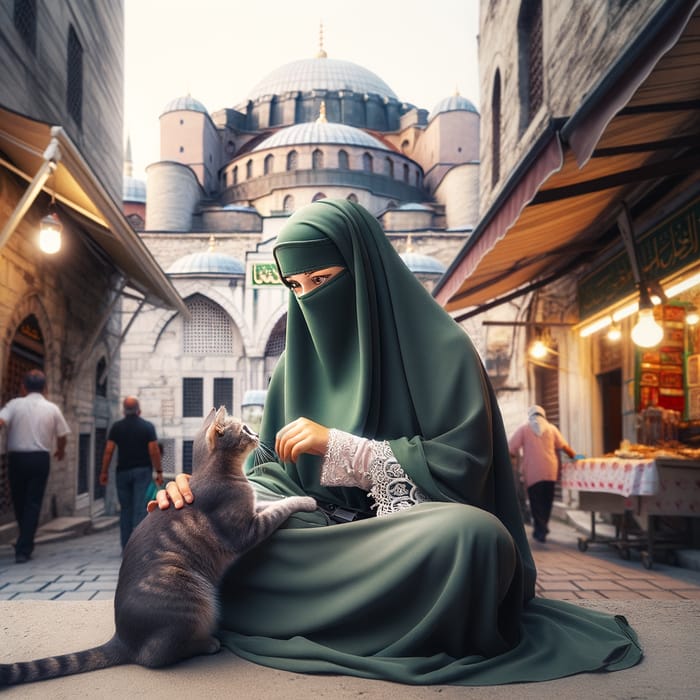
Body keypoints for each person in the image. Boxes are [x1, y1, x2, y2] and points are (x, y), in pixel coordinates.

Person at [155, 199, 641, 685]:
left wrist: (341, 447)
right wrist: (206, 492)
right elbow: (270, 474)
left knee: (477, 540)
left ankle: (308, 610)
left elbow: (463, 470)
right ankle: (371, 612)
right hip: (318, 536)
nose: (308, 299)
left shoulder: (444, 350)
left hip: (406, 537)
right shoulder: (292, 367)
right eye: (295, 287)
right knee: (190, 525)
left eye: (322, 281)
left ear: (365, 270)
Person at [0, 369, 70, 563]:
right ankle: (24, 544)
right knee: (33, 502)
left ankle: (23, 545)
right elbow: (63, 434)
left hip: (17, 459)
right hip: (40, 459)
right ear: (45, 388)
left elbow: (1, 420)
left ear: (23, 387)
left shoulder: (14, 404)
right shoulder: (52, 408)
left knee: (19, 501)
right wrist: (61, 450)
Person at [101, 396, 162, 550]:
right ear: (139, 411)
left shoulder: (116, 427)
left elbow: (108, 451)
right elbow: (154, 451)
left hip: (122, 472)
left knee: (125, 509)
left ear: (123, 411)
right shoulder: (147, 427)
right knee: (140, 508)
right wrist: (159, 471)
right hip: (142, 471)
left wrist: (104, 471)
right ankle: (139, 546)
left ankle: (126, 546)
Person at [509, 405, 576, 543]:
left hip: (533, 471)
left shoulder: (524, 429)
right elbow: (564, 446)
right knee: (547, 500)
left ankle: (540, 529)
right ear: (543, 415)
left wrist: (511, 461)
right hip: (550, 469)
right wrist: (574, 456)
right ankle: (543, 526)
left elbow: (510, 448)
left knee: (536, 501)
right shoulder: (552, 429)